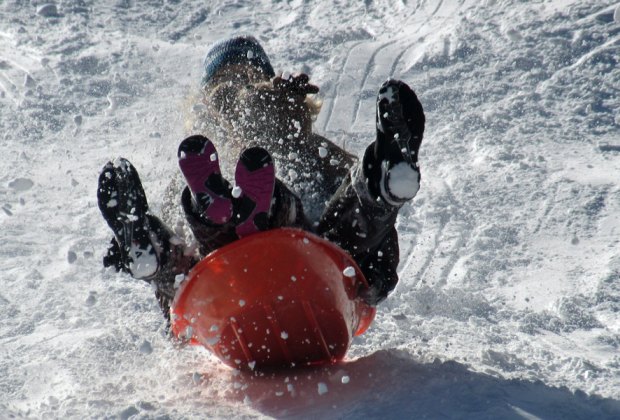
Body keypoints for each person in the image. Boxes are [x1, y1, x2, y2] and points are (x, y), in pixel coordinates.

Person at [97, 36, 425, 321]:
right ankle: (381, 185)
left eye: (247, 83)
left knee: (188, 248)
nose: (238, 94)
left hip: (223, 294)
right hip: (309, 277)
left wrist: (152, 257)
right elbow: (357, 204)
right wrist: (379, 268)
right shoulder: (304, 149)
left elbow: (174, 239)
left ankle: (153, 250)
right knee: (348, 215)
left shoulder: (204, 164)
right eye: (230, 86)